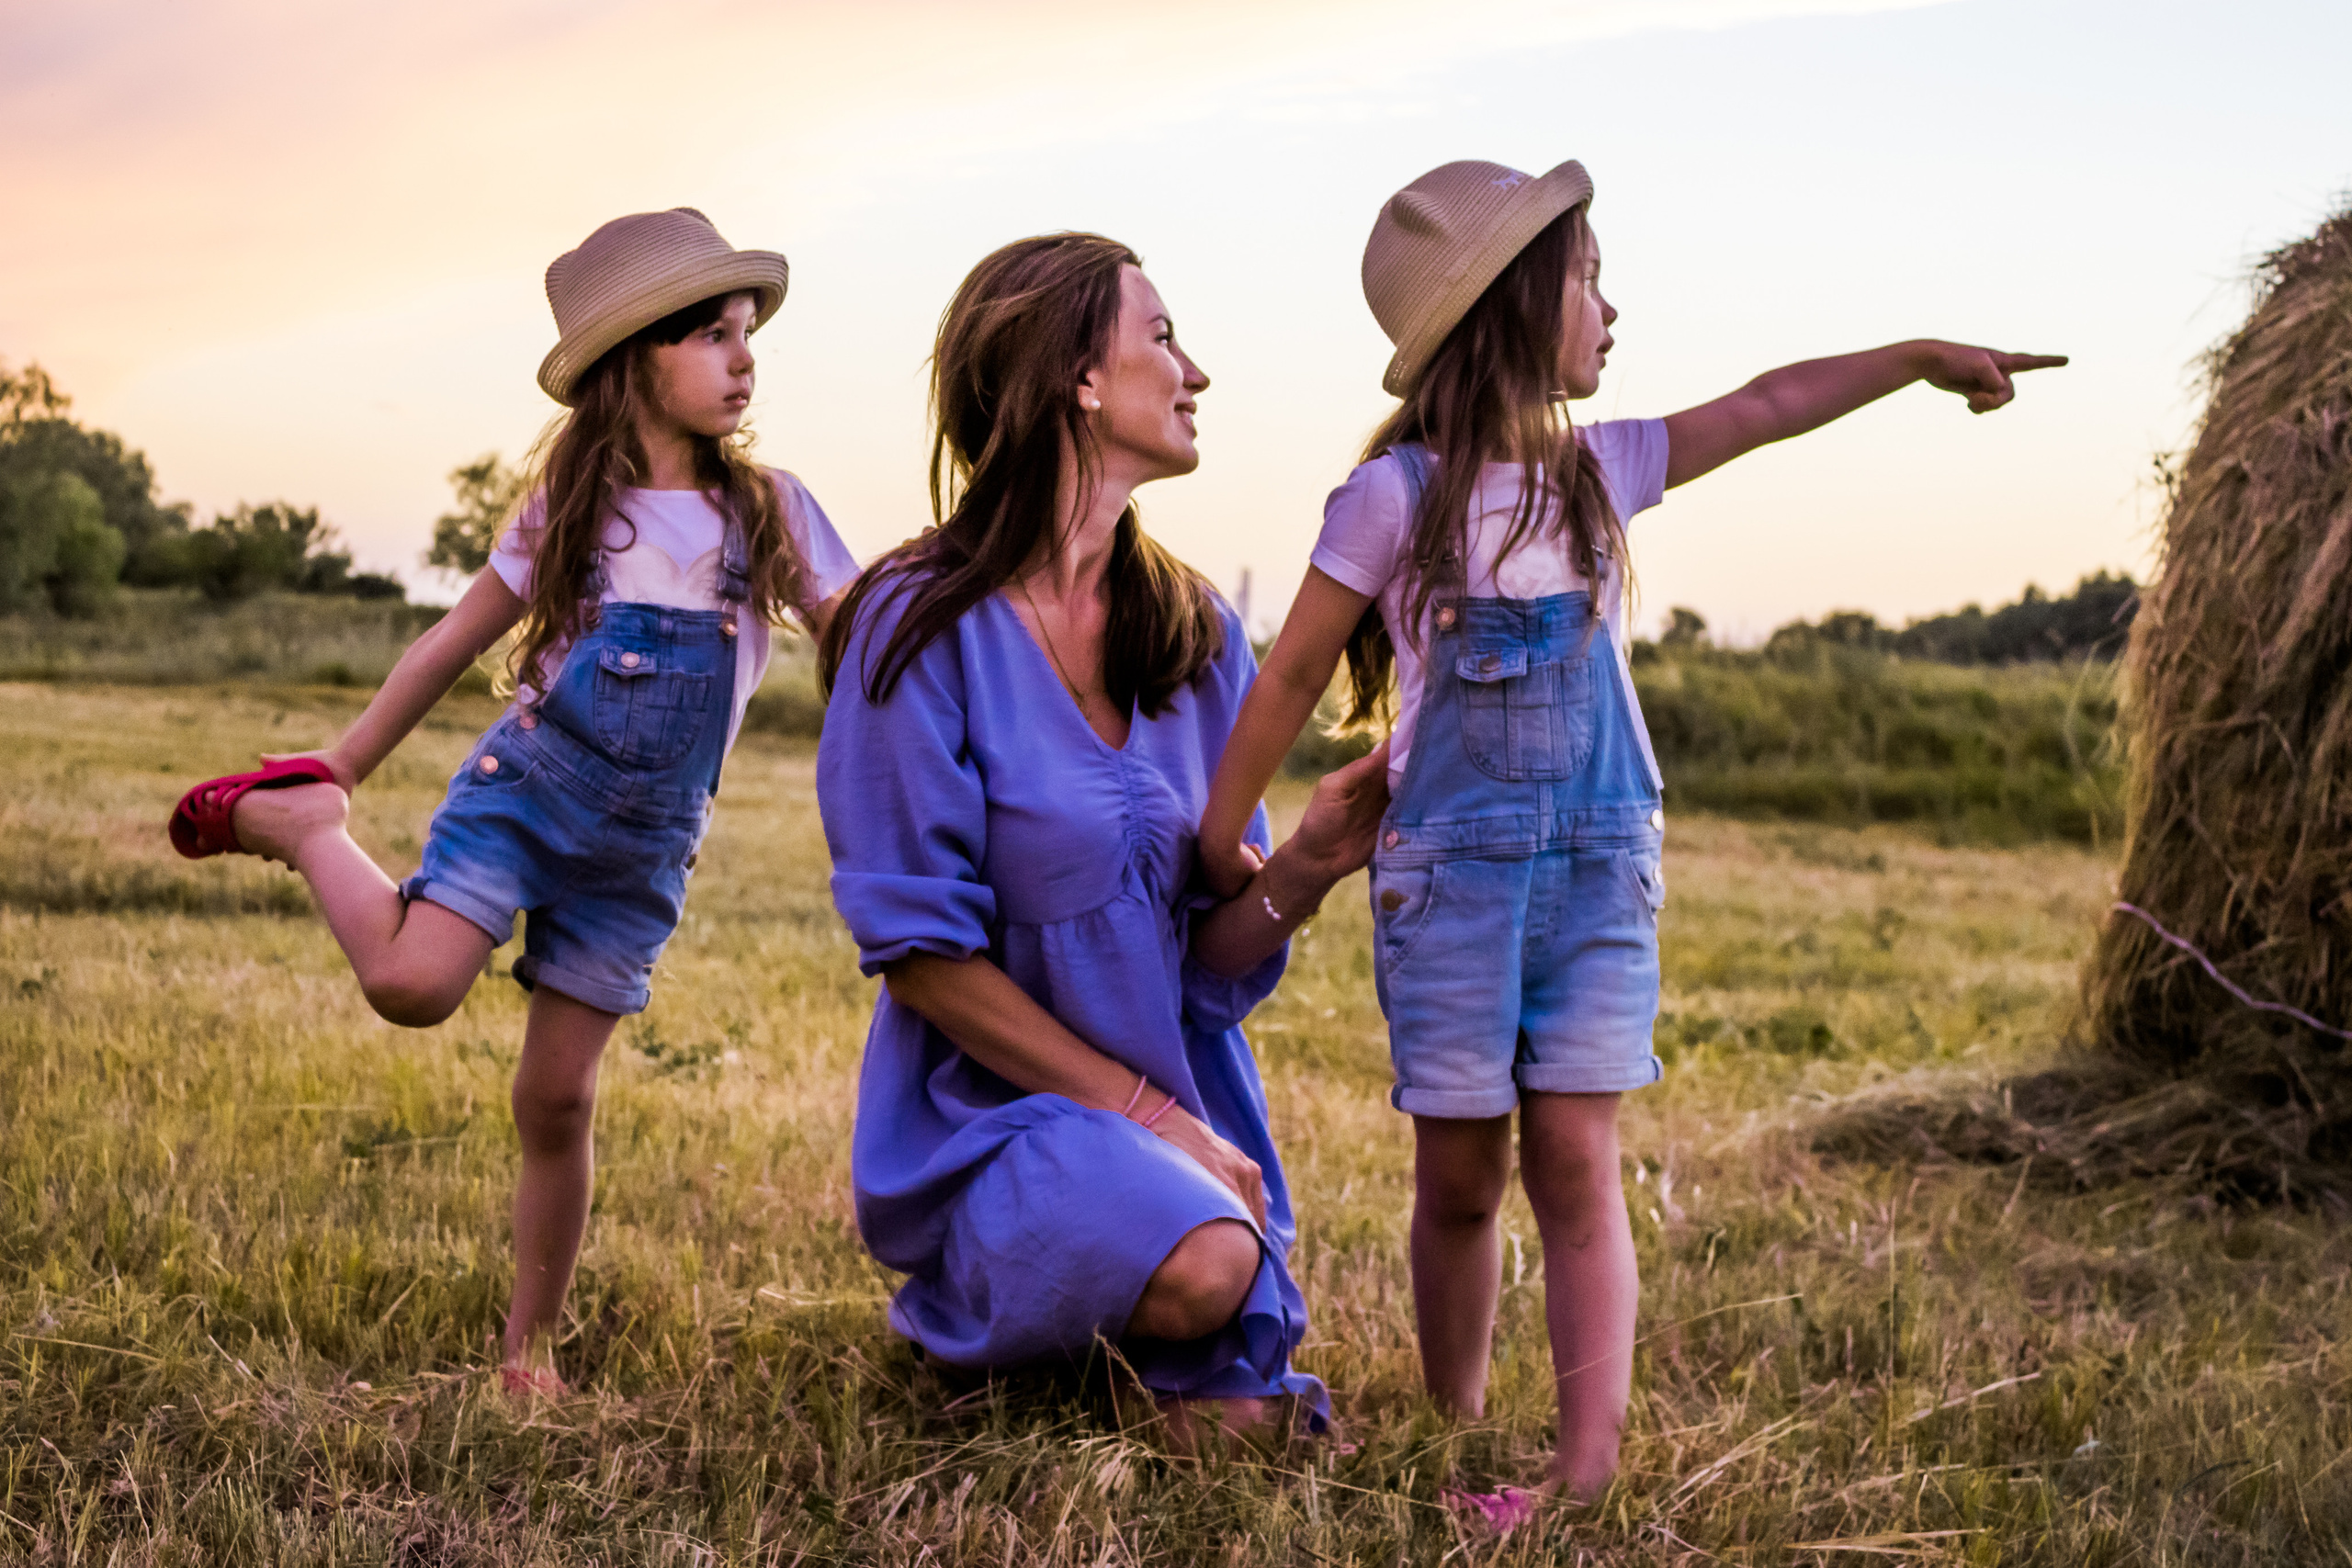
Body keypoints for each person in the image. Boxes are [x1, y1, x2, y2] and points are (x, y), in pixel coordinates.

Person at [1196, 158, 2065, 1501]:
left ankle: (1585, 1466)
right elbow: (1292, 674)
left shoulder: (1610, 470)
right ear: (1511, 304)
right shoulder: (1393, 500)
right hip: (1453, 889)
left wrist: (1914, 357)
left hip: (1600, 876)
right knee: (1464, 1173)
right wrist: (1223, 834)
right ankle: (1456, 1415)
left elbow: (1771, 405)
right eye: (1589, 279)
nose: (1611, 307)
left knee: (1576, 1163)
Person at [165, 207, 860, 1392]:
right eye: (713, 335)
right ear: (637, 357)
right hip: (533, 791)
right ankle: (306, 826)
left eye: (749, 335)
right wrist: (341, 763)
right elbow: (449, 643)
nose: (745, 358)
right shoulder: (576, 504)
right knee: (410, 984)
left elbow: (863, 642)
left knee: (558, 1099)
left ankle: (527, 1348)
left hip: (646, 848)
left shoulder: (773, 509)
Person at [816, 231, 1389, 1435]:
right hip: (999, 1124)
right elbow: (922, 960)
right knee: (1206, 1265)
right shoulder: (913, 629)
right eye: (1164, 337)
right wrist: (1156, 1123)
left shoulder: (1194, 632)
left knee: (1235, 1434)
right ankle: (985, 1307)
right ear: (1081, 375)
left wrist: (1310, 864)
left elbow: (1209, 965)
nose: (1197, 374)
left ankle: (1092, 1340)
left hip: (1174, 1132)